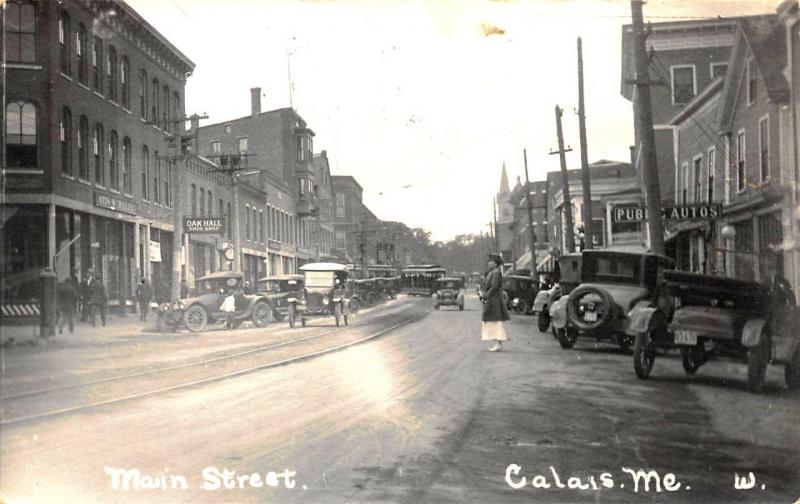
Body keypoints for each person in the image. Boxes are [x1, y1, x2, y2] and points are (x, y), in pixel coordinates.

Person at [480, 254, 509, 352]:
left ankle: (498, 343)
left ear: (496, 264)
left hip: (495, 300)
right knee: (492, 320)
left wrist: (486, 296)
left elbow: (494, 287)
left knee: (496, 320)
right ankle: (497, 343)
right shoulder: (491, 272)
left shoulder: (496, 273)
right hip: (491, 299)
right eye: (488, 261)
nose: (489, 263)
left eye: (491, 261)